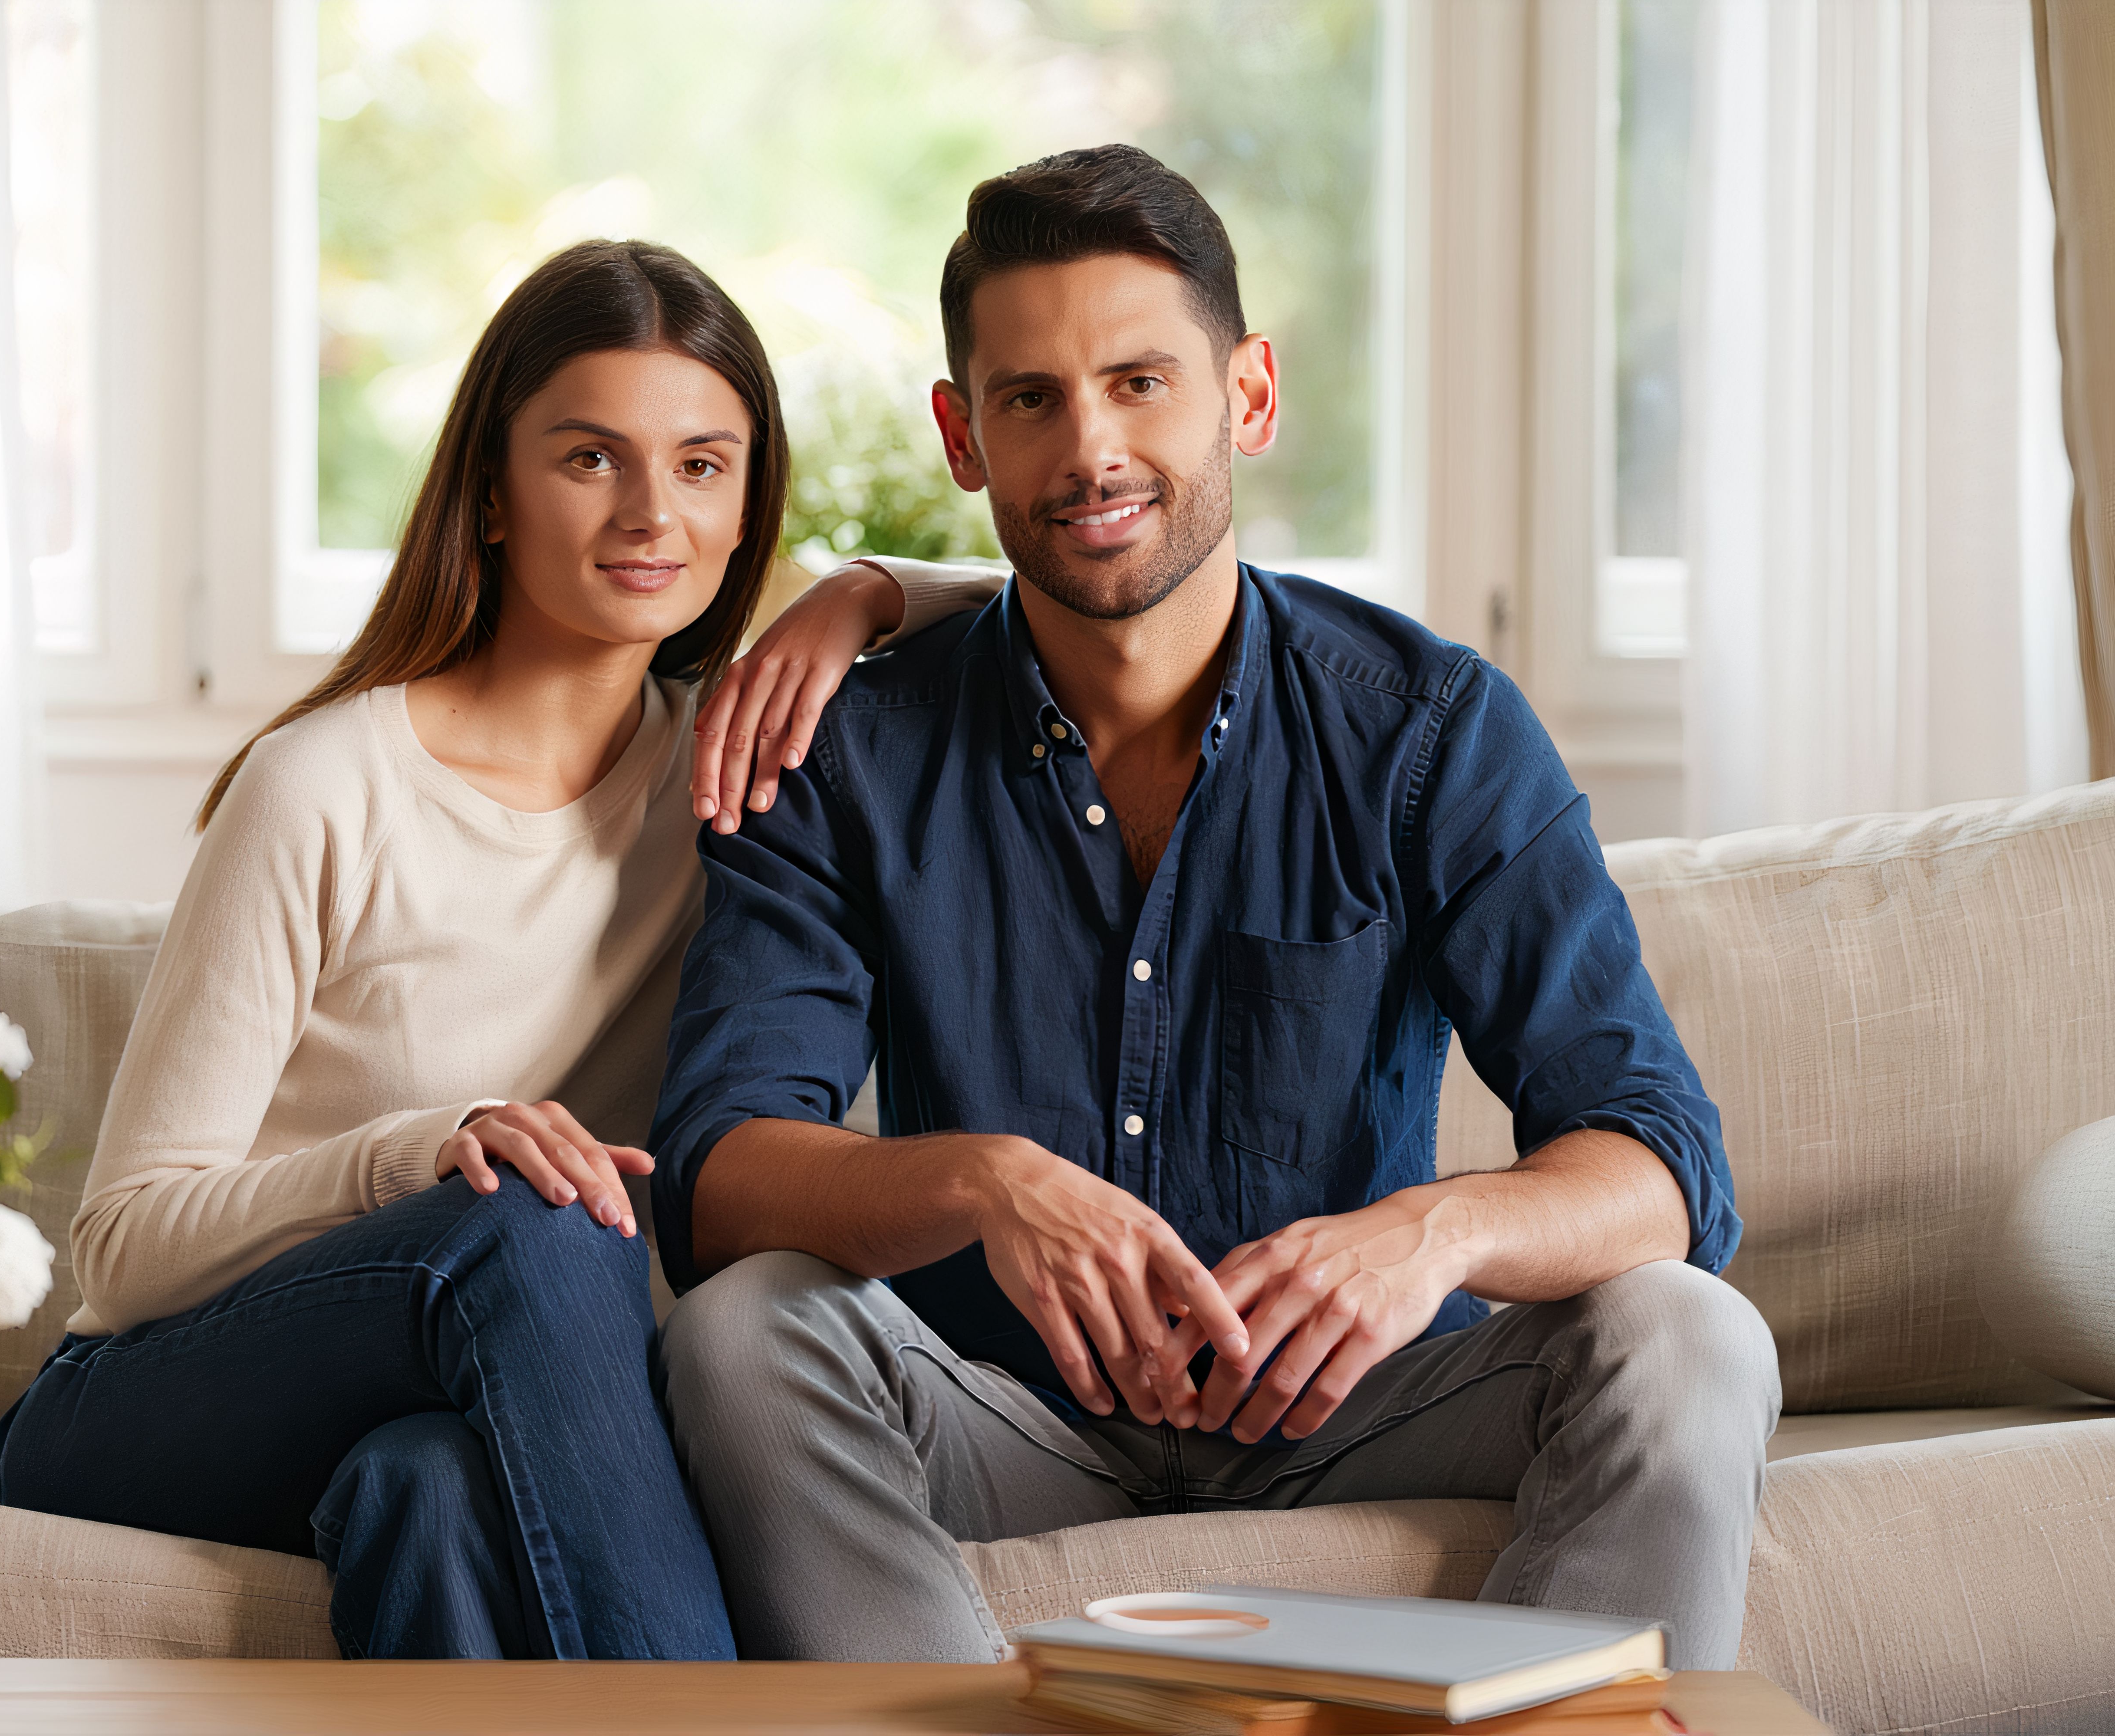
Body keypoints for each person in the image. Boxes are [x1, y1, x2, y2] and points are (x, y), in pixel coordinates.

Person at [647, 145, 1779, 1671]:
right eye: (1031, 398)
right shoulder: (845, 750)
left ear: (1246, 394)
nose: (1091, 448)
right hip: (1001, 1415)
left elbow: (1661, 1161)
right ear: (963, 436)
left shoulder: (1429, 731)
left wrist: (1429, 1235)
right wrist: (986, 1182)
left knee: (1694, 1335)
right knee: (741, 1334)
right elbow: (719, 1174)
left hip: (1371, 1408)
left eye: (1140, 381)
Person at [0, 239, 995, 1661]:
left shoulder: (737, 771)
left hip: (472, 1393)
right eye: (593, 460)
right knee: (536, 1215)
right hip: (153, 1397)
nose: (656, 514)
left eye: (705, 467)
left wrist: (862, 590)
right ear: (494, 496)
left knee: (427, 1494)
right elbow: (124, 1251)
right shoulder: (323, 785)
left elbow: (1052, 600)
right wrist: (423, 1151)